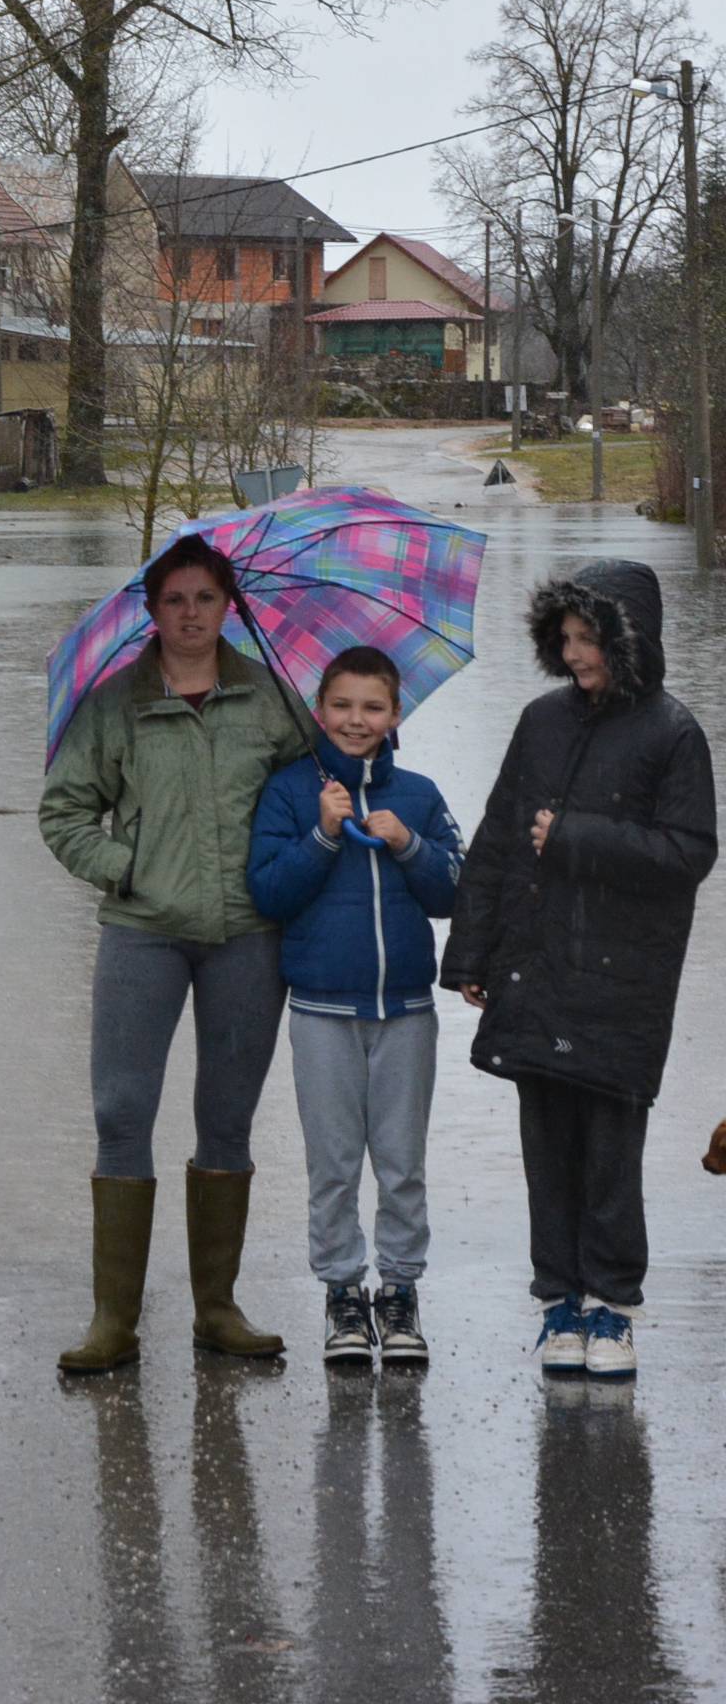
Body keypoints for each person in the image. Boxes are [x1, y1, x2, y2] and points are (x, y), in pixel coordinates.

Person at [39, 533, 312, 1374]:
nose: (190, 615)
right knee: (121, 1113)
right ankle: (112, 1321)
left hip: (247, 938)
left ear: (229, 605)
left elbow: (310, 803)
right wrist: (126, 870)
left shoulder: (273, 700)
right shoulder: (115, 704)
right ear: (150, 613)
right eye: (174, 601)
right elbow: (64, 814)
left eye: (205, 598)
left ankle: (216, 1310)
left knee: (226, 1118)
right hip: (142, 934)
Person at [440, 559, 716, 1380]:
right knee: (546, 1140)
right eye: (565, 638)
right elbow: (496, 839)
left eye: (589, 638)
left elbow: (690, 853)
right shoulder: (540, 720)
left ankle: (613, 1309)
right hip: (536, 966)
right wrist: (470, 953)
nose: (576, 654)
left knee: (609, 1147)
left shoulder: (674, 733)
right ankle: (558, 1302)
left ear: (629, 640)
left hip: (625, 977)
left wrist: (574, 836)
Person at [248, 646, 466, 1368]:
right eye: (341, 705)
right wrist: (322, 835)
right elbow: (268, 893)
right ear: (320, 710)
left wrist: (409, 848)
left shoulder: (422, 795)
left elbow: (456, 893)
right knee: (333, 1163)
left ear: (396, 714)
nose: (355, 720)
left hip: (405, 1008)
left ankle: (399, 1292)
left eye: (372, 707)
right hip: (319, 1009)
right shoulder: (288, 794)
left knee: (402, 1161)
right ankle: (343, 1292)